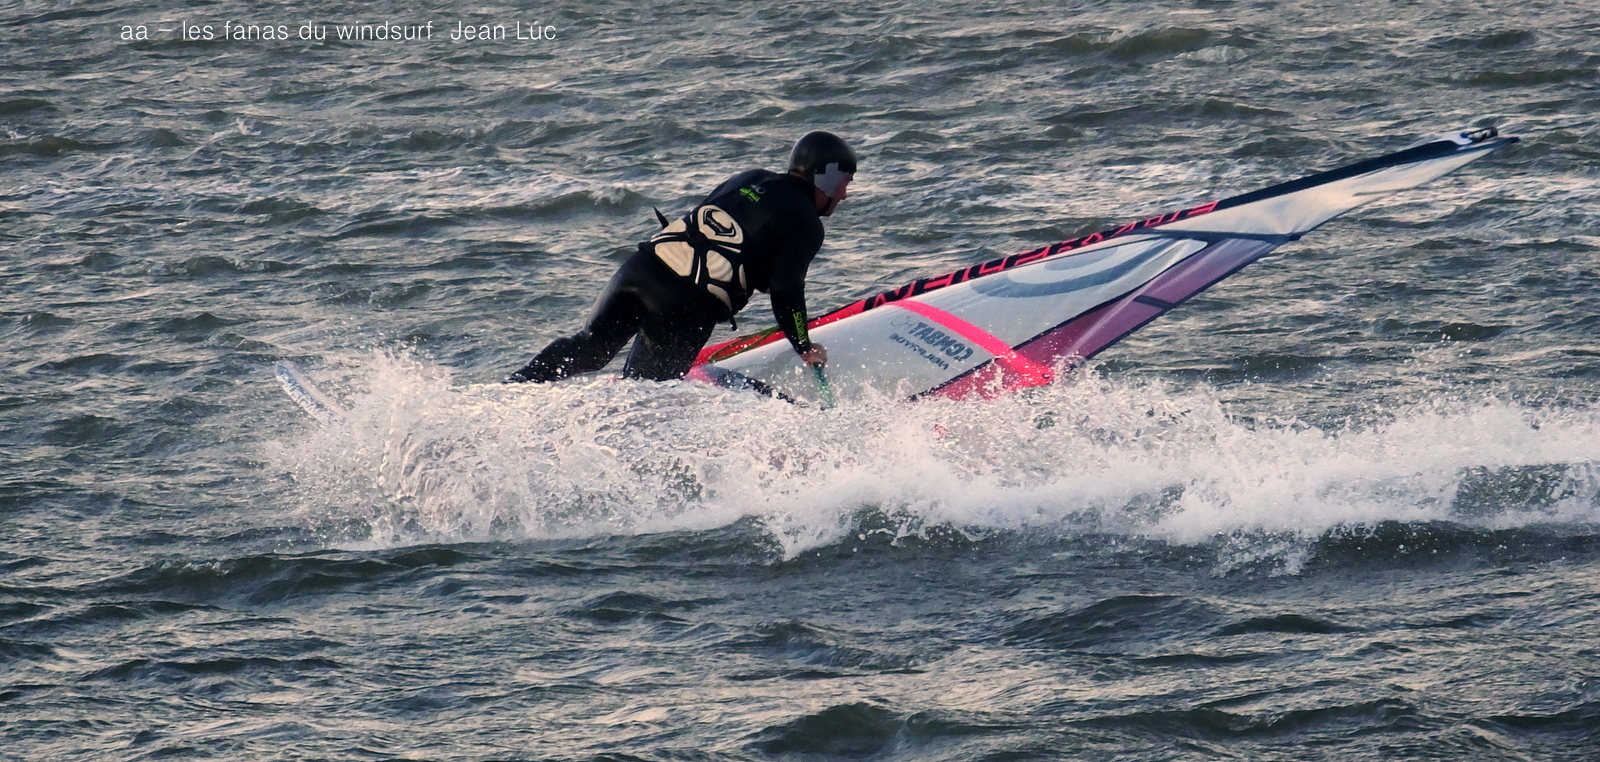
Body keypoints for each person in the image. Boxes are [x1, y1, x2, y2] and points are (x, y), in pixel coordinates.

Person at [506, 131, 856, 383]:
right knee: (645, 395)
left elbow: (722, 227)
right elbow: (786, 288)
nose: (844, 194)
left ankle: (513, 390)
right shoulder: (808, 223)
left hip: (642, 269)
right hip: (684, 305)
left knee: (588, 349)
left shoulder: (751, 177)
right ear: (826, 178)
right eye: (845, 181)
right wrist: (803, 345)